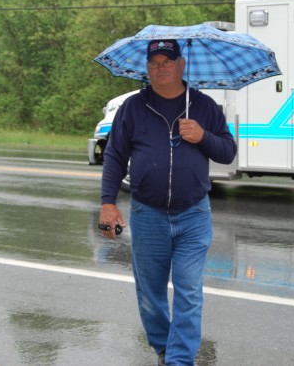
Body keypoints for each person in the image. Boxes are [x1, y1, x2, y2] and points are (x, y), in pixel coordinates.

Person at [99, 39, 237, 366]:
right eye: (154, 63)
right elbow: (115, 156)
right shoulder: (133, 107)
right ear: (147, 68)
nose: (161, 68)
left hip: (193, 215)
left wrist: (202, 136)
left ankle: (178, 360)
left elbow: (228, 152)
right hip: (148, 216)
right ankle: (163, 347)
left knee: (189, 292)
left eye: (168, 61)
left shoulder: (202, 106)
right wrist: (108, 203)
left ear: (181, 65)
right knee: (150, 295)